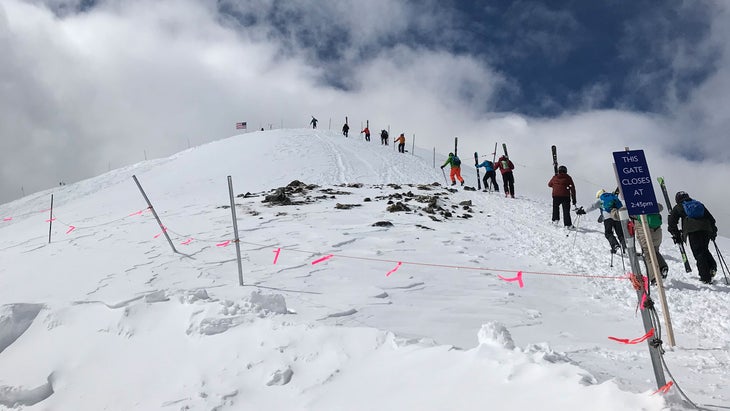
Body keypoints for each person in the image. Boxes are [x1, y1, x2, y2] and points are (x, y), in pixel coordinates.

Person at [667, 191, 718, 284]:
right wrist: (713, 232)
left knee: (698, 253)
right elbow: (711, 219)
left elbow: (672, 222)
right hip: (706, 230)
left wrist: (675, 234)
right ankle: (712, 267)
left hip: (693, 231)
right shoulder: (698, 204)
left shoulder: (679, 206)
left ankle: (705, 277)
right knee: (704, 249)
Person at [630, 206, 668, 285]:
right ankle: (662, 267)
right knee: (655, 251)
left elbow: (618, 215)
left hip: (645, 233)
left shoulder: (633, 207)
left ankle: (654, 278)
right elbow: (660, 207)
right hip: (657, 232)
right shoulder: (650, 203)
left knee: (647, 254)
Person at [586, 188, 626, 254]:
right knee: (620, 234)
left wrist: (584, 211)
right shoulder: (612, 196)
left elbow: (592, 206)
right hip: (617, 215)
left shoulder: (600, 199)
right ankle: (625, 247)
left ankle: (615, 245)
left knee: (609, 233)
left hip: (607, 218)